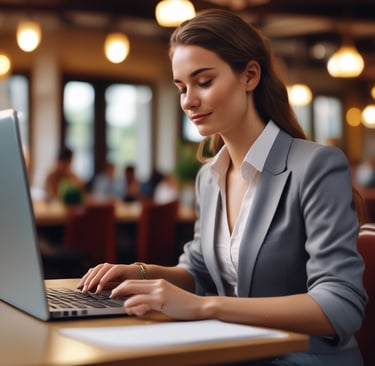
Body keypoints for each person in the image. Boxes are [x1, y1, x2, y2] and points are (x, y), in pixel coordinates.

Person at [78, 9, 367, 365]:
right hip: (228, 351)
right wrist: (140, 271)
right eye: (182, 88)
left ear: (249, 76)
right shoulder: (209, 177)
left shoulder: (317, 166)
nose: (188, 101)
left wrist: (205, 307)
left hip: (298, 358)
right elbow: (199, 271)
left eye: (203, 82)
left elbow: (340, 305)